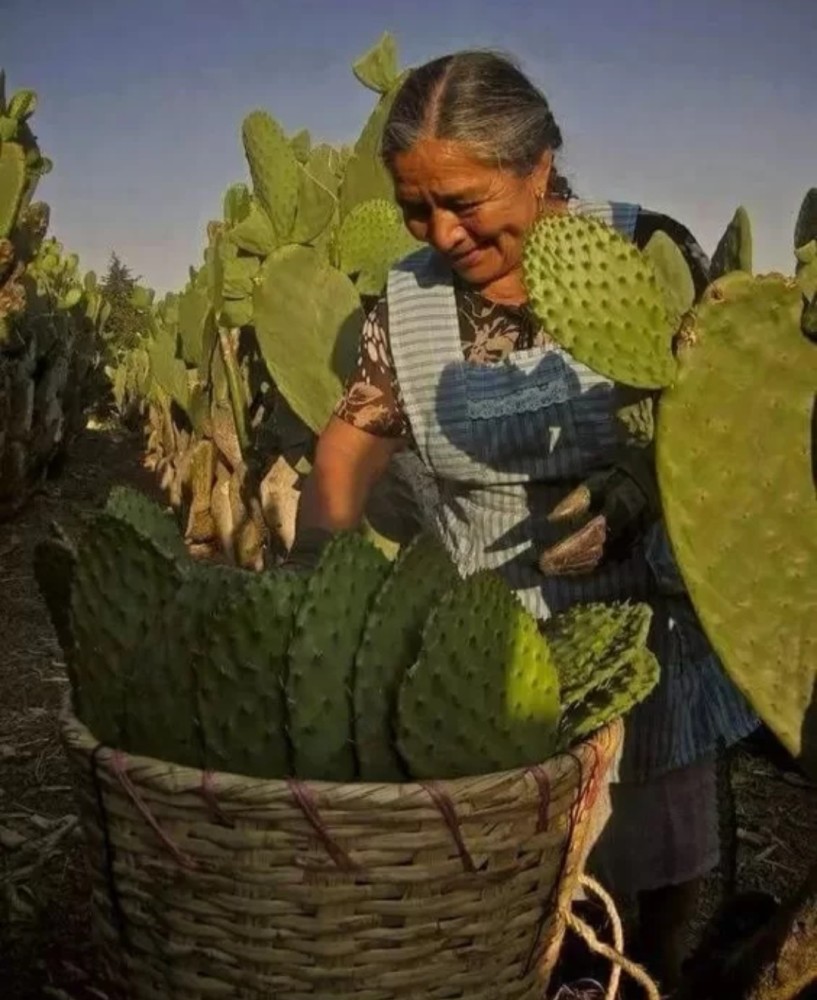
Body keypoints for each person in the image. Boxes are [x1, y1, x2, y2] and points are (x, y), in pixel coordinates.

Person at [288, 50, 758, 991]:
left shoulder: (647, 250)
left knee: (643, 908)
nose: (443, 233)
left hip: (645, 646)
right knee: (513, 921)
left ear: (538, 164)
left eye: (464, 201)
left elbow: (723, 420)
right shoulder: (405, 304)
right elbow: (347, 449)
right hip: (488, 659)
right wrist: (317, 605)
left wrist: (631, 489)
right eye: (416, 209)